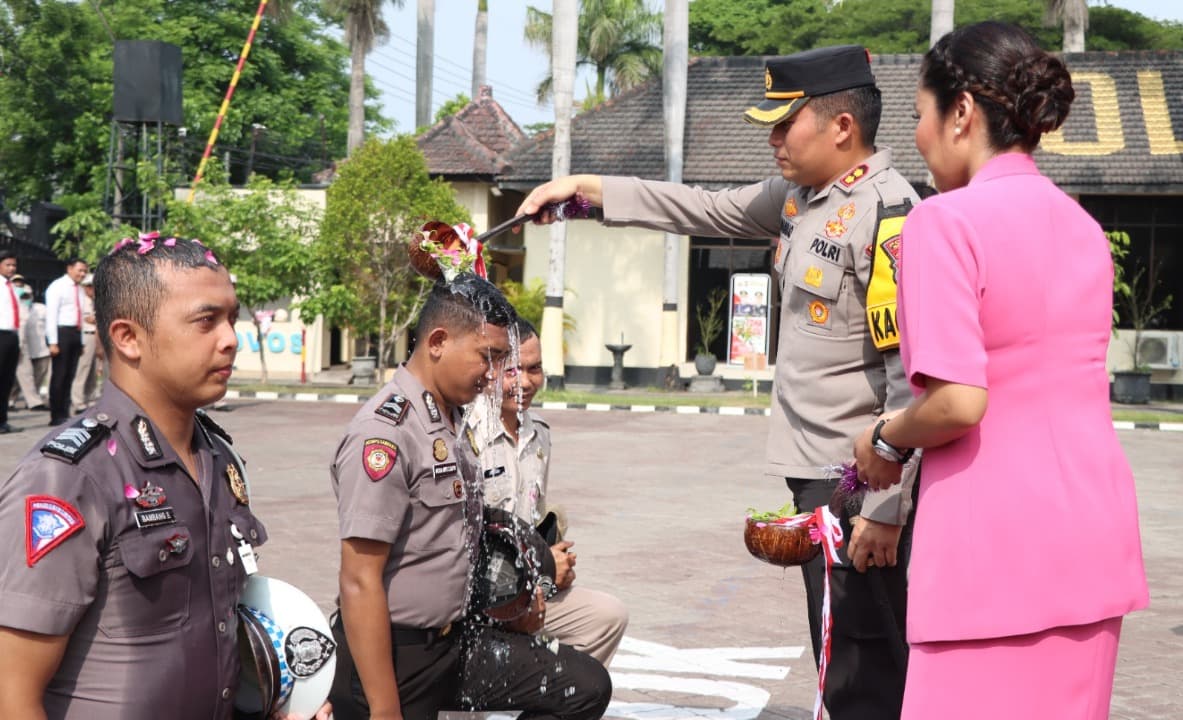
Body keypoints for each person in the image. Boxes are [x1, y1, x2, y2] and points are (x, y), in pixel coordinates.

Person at [518, 45, 918, 718]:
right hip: (819, 481)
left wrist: (883, 508)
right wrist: (585, 190)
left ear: (840, 127)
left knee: (866, 659)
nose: (770, 139)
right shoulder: (800, 199)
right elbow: (704, 208)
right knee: (838, 649)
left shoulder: (889, 214)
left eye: (783, 123)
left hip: (860, 486)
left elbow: (910, 374)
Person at [852, 22, 1148, 719]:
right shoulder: (1080, 225)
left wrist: (886, 440)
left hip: (989, 553)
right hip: (1091, 541)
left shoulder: (943, 222)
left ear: (960, 113)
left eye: (919, 114)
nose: (917, 137)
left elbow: (957, 402)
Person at [0, 236, 330, 719]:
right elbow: (12, 694)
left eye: (231, 317)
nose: (231, 338)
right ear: (128, 337)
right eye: (205, 320)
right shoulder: (70, 478)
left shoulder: (218, 458)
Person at [328, 275, 612, 720]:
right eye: (488, 356)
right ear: (438, 341)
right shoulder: (385, 434)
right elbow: (359, 580)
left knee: (584, 686)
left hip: (455, 644)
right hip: (397, 660)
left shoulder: (449, 420)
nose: (494, 373)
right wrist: (385, 710)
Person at [468, 318, 629, 666]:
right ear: (489, 369)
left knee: (606, 617)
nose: (525, 382)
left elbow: (532, 520)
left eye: (535, 369)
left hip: (525, 590)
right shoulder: (463, 435)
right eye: (512, 371)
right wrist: (541, 568)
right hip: (471, 597)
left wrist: (554, 559)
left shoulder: (539, 434)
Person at [44, 258, 89, 426]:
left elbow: (81, 315)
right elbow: (51, 316)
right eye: (79, 270)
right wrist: (53, 342)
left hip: (75, 333)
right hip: (61, 332)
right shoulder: (58, 286)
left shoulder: (80, 290)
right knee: (60, 375)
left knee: (70, 375)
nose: (82, 274)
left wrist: (82, 340)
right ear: (69, 268)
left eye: (85, 271)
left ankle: (65, 411)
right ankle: (56, 414)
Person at [12, 277, 51, 412]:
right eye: (22, 296)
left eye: (27, 296)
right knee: (25, 374)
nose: (25, 298)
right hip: (19, 346)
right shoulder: (12, 309)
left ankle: (12, 400)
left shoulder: (40, 308)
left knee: (33, 375)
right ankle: (34, 402)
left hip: (39, 348)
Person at [71, 273, 101, 412]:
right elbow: (89, 319)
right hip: (86, 335)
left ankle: (90, 398)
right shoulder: (81, 300)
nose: (92, 289)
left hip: (96, 336)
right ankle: (78, 401)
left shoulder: (96, 301)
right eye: (89, 286)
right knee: (82, 369)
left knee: (93, 370)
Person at [0, 250, 20, 433]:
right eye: (8, 264)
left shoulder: (11, 286)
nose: (11, 268)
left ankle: (3, 420)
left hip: (12, 335)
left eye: (13, 265)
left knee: (7, 379)